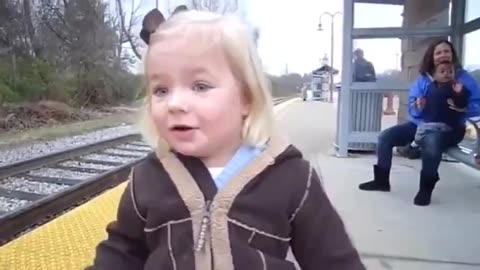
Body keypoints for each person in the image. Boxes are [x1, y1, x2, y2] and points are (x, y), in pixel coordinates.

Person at [88, 9, 365, 270]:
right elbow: (121, 253)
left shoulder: (293, 178)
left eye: (200, 86)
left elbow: (335, 261)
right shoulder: (146, 179)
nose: (174, 103)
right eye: (161, 90)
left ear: (246, 97)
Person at [358, 39, 480, 206]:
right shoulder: (423, 80)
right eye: (438, 52)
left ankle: (425, 189)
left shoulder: (464, 79)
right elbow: (412, 110)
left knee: (432, 141)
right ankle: (381, 181)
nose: (443, 55)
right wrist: (418, 107)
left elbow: (477, 105)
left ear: (452, 55)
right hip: (422, 124)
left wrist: (460, 107)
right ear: (432, 57)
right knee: (386, 137)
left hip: (450, 128)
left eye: (446, 51)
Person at [406, 61, 470, 152]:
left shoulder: (456, 87)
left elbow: (462, 104)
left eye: (450, 72)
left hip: (448, 125)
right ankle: (414, 147)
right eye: (442, 71)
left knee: (426, 134)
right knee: (422, 131)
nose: (447, 74)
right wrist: (420, 105)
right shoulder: (430, 87)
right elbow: (426, 105)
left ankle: (413, 146)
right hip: (430, 122)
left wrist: (459, 94)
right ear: (434, 75)